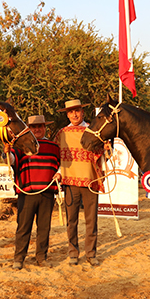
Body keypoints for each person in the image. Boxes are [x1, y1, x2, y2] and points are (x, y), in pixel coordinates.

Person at [55, 99, 105, 266]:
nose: (74, 114)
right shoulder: (62, 134)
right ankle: (73, 253)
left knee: (92, 220)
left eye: (77, 111)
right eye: (71, 112)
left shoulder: (93, 131)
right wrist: (58, 172)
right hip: (70, 182)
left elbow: (101, 155)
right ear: (67, 114)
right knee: (72, 220)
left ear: (82, 112)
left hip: (91, 181)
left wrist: (105, 153)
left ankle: (91, 254)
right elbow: (57, 157)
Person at [8, 115, 61, 270]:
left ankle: (41, 257)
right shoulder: (21, 146)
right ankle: (19, 258)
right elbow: (12, 161)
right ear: (28, 129)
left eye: (40, 126)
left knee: (44, 227)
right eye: (33, 127)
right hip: (27, 192)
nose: (37, 129)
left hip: (47, 192)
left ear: (45, 128)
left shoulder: (53, 147)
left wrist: (59, 173)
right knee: (23, 227)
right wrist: (7, 152)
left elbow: (60, 164)